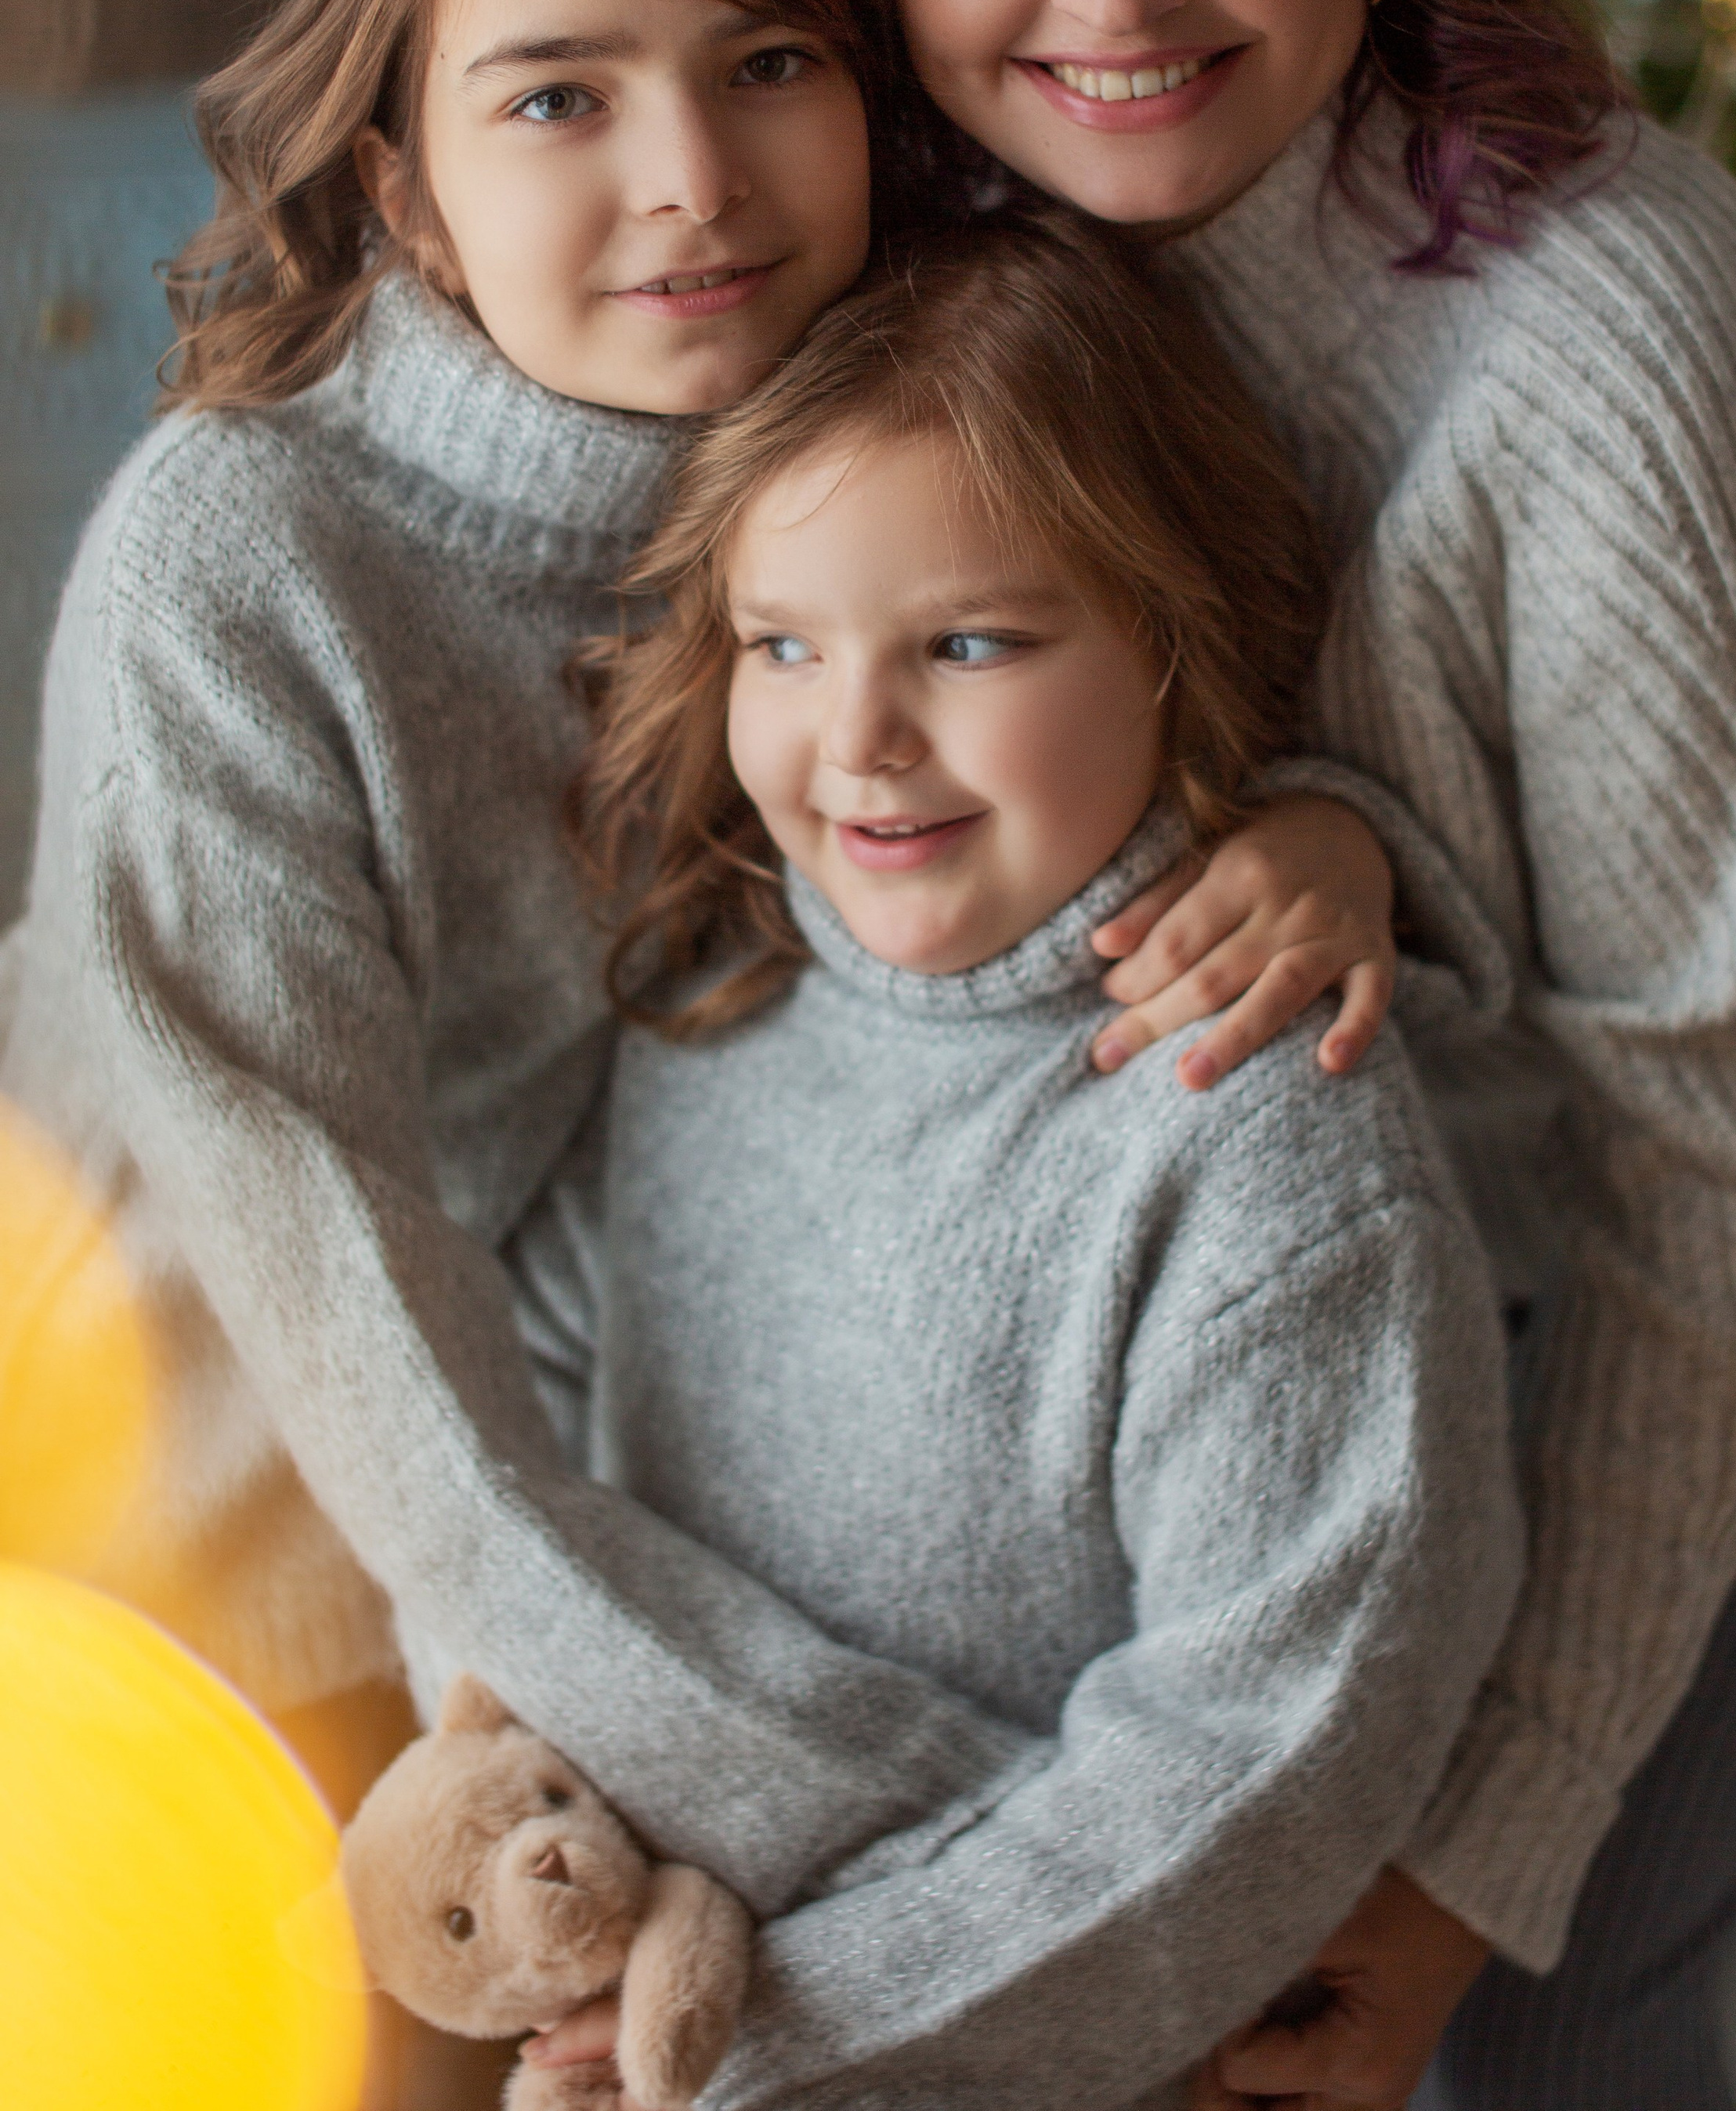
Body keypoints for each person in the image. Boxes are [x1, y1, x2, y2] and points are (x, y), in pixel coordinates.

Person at [782, 0, 1736, 2109]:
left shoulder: (1604, 364)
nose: (1112, 1)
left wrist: (1486, 1851)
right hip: (1395, 1174)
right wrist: (1337, 826)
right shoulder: (926, 207)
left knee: (1532, 2010)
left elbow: (1728, 1179)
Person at [0, 0, 1393, 1898]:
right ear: (398, 187)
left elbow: (1129, 630)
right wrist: (873, 1816)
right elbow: (339, 1297)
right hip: (180, 1549)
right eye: (560, 97)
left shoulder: (843, 417)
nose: (695, 181)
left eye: (766, 63)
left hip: (542, 1507)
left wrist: (1315, 816)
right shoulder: (244, 562)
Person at [511, 212, 1520, 2110]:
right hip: (658, 1994)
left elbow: (1253, 1761)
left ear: (1168, 632)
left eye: (967, 641)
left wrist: (778, 2049)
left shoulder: (1265, 1144)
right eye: (783, 645)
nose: (859, 739)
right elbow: (548, 1433)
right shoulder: (711, 1006)